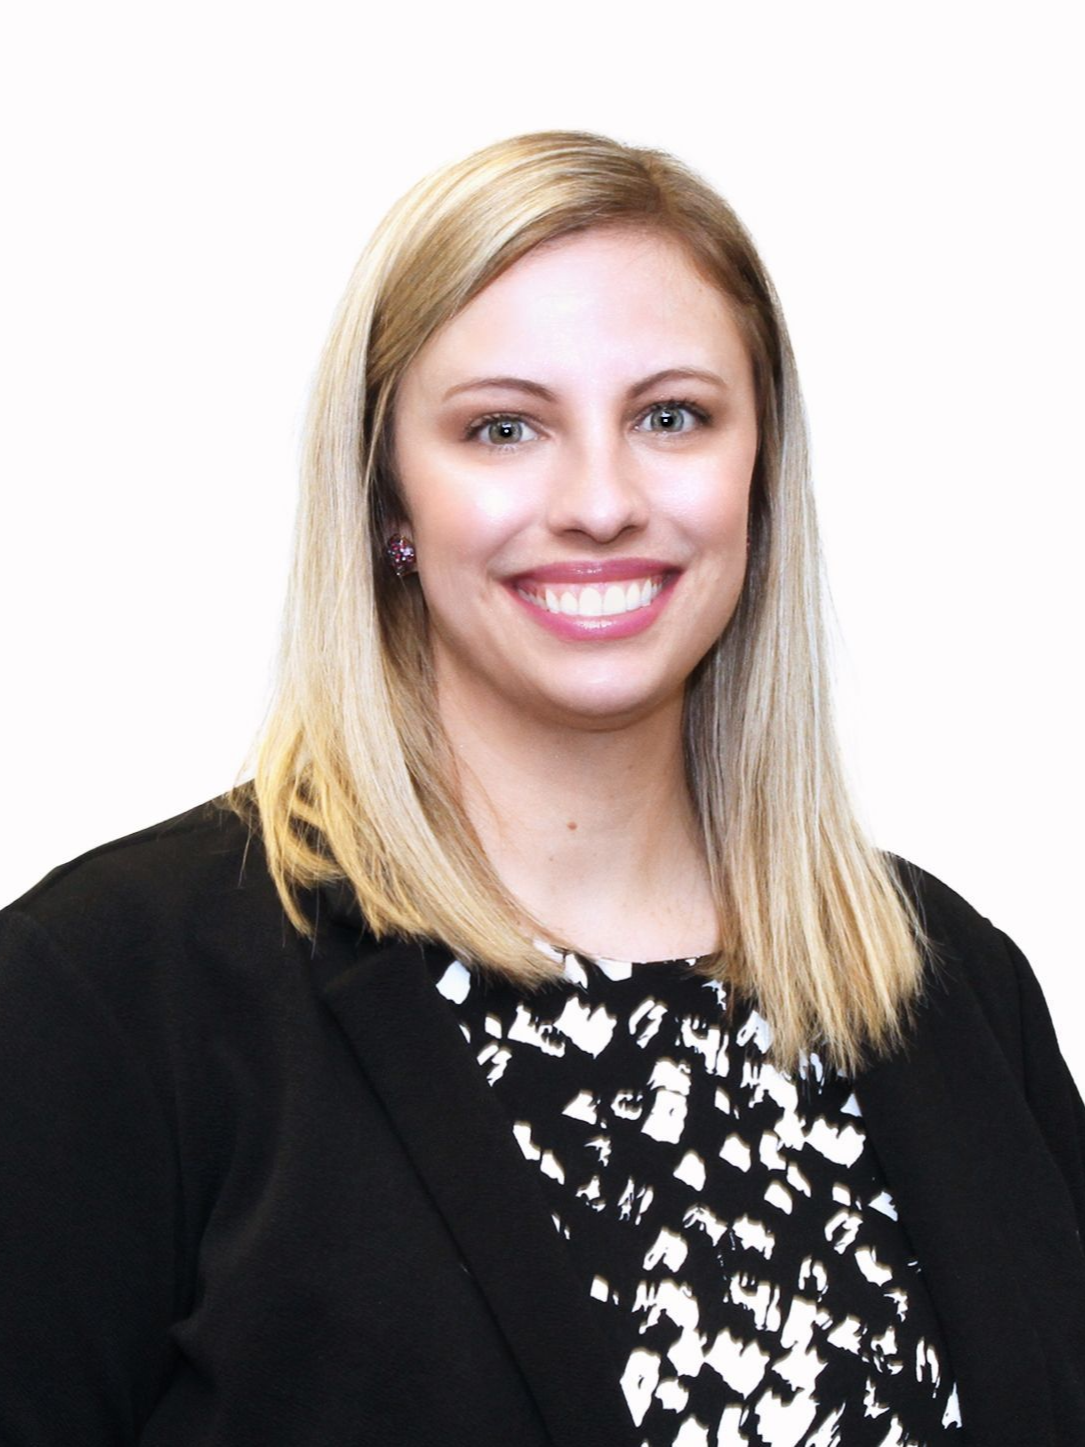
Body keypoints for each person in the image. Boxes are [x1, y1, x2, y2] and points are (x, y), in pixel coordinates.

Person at [1, 131, 1082, 1447]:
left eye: (671, 416)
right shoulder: (113, 994)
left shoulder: (947, 986)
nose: (601, 500)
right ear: (388, 493)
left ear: (759, 471)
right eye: (503, 427)